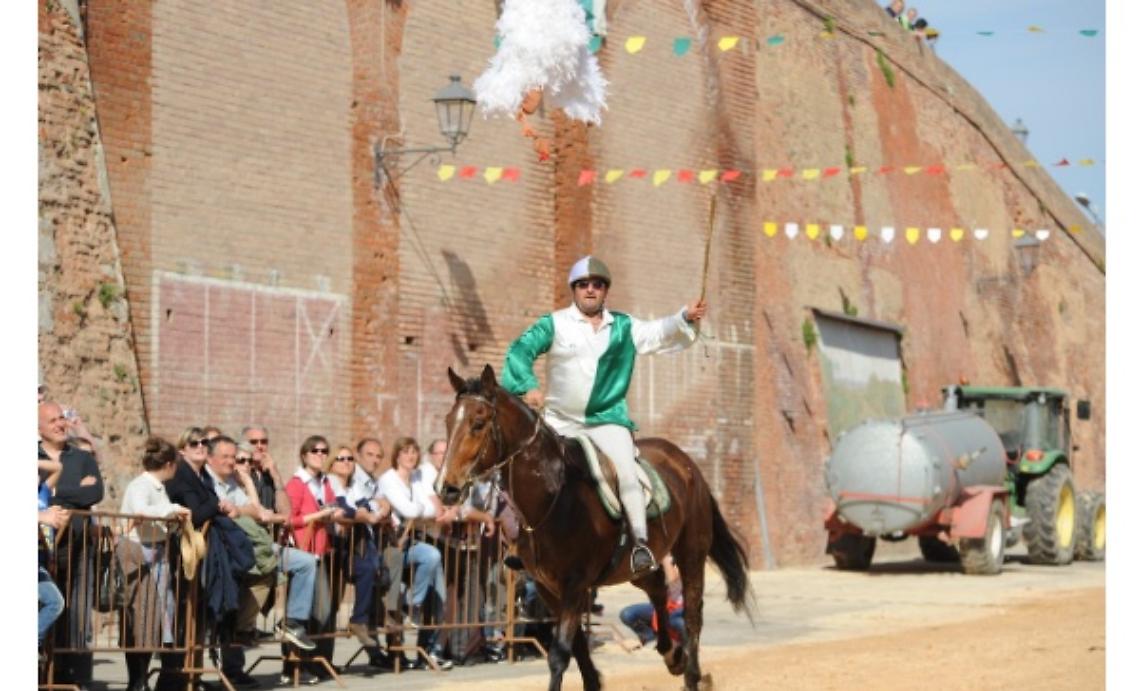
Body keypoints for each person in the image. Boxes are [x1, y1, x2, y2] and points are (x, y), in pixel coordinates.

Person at [501, 255, 707, 575]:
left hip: (607, 419)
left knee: (626, 471)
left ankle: (639, 543)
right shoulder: (553, 324)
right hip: (559, 420)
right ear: (574, 290)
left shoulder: (623, 326)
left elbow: (657, 332)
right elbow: (519, 350)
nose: (590, 290)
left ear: (605, 291)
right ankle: (524, 543)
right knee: (527, 468)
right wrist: (527, 385)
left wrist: (684, 315)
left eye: (597, 285)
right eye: (583, 285)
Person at [207, 435, 319, 688]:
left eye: (245, 460)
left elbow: (269, 512)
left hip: (260, 550)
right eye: (237, 459)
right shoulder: (213, 481)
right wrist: (249, 504)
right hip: (235, 552)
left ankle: (291, 622)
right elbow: (251, 512)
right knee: (235, 612)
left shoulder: (248, 482)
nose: (240, 464)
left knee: (304, 563)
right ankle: (231, 669)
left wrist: (257, 481)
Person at [40, 401, 105, 690]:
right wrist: (73, 492)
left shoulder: (81, 457)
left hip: (79, 546)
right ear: (38, 427)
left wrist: (54, 491)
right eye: (53, 420)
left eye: (62, 419)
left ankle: (76, 676)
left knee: (79, 611)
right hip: (44, 547)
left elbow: (96, 491)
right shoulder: (31, 455)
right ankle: (44, 675)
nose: (61, 424)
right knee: (49, 606)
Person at [117, 437, 191, 691]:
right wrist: (172, 509)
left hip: (155, 552)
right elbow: (140, 509)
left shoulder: (157, 486)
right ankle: (136, 681)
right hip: (138, 552)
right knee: (140, 618)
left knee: (150, 620)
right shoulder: (142, 485)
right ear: (169, 464)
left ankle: (140, 680)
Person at [378, 437, 454, 670]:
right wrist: (423, 510)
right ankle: (395, 655)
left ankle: (414, 606)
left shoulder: (417, 477)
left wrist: (421, 511)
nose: (410, 456)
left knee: (432, 558)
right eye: (405, 452)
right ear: (397, 455)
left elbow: (433, 508)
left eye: (413, 452)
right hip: (390, 546)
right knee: (392, 598)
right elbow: (411, 508)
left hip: (412, 543)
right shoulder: (388, 479)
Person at [284, 436, 346, 683]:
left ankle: (312, 664)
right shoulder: (297, 483)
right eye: (315, 451)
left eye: (324, 451)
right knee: (311, 611)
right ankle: (296, 666)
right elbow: (291, 519)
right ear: (304, 454)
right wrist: (320, 515)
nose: (320, 454)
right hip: (303, 550)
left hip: (321, 551)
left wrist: (334, 514)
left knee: (320, 611)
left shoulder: (324, 482)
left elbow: (335, 505)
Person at [346, 438, 397, 669]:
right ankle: (311, 663)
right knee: (326, 604)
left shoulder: (372, 481)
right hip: (353, 543)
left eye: (378, 456)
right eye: (370, 454)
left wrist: (383, 506)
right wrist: (380, 505)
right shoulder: (353, 476)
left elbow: (384, 509)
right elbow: (363, 506)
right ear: (357, 454)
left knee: (381, 587)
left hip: (371, 542)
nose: (375, 460)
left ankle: (378, 650)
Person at [619, 555, 685, 650]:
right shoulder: (655, 560)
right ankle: (649, 636)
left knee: (676, 622)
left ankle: (686, 643)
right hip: (659, 607)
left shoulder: (678, 559)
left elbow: (672, 579)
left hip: (679, 608)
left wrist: (664, 558)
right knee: (627, 614)